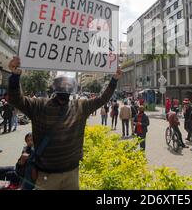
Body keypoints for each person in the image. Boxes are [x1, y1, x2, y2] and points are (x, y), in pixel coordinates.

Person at [8, 56, 121, 190]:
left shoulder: (80, 106)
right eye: (62, 85)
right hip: (46, 176)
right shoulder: (39, 105)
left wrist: (114, 80)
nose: (65, 89)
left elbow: (102, 99)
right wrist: (15, 76)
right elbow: (16, 100)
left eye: (68, 86)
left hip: (71, 174)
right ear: (55, 88)